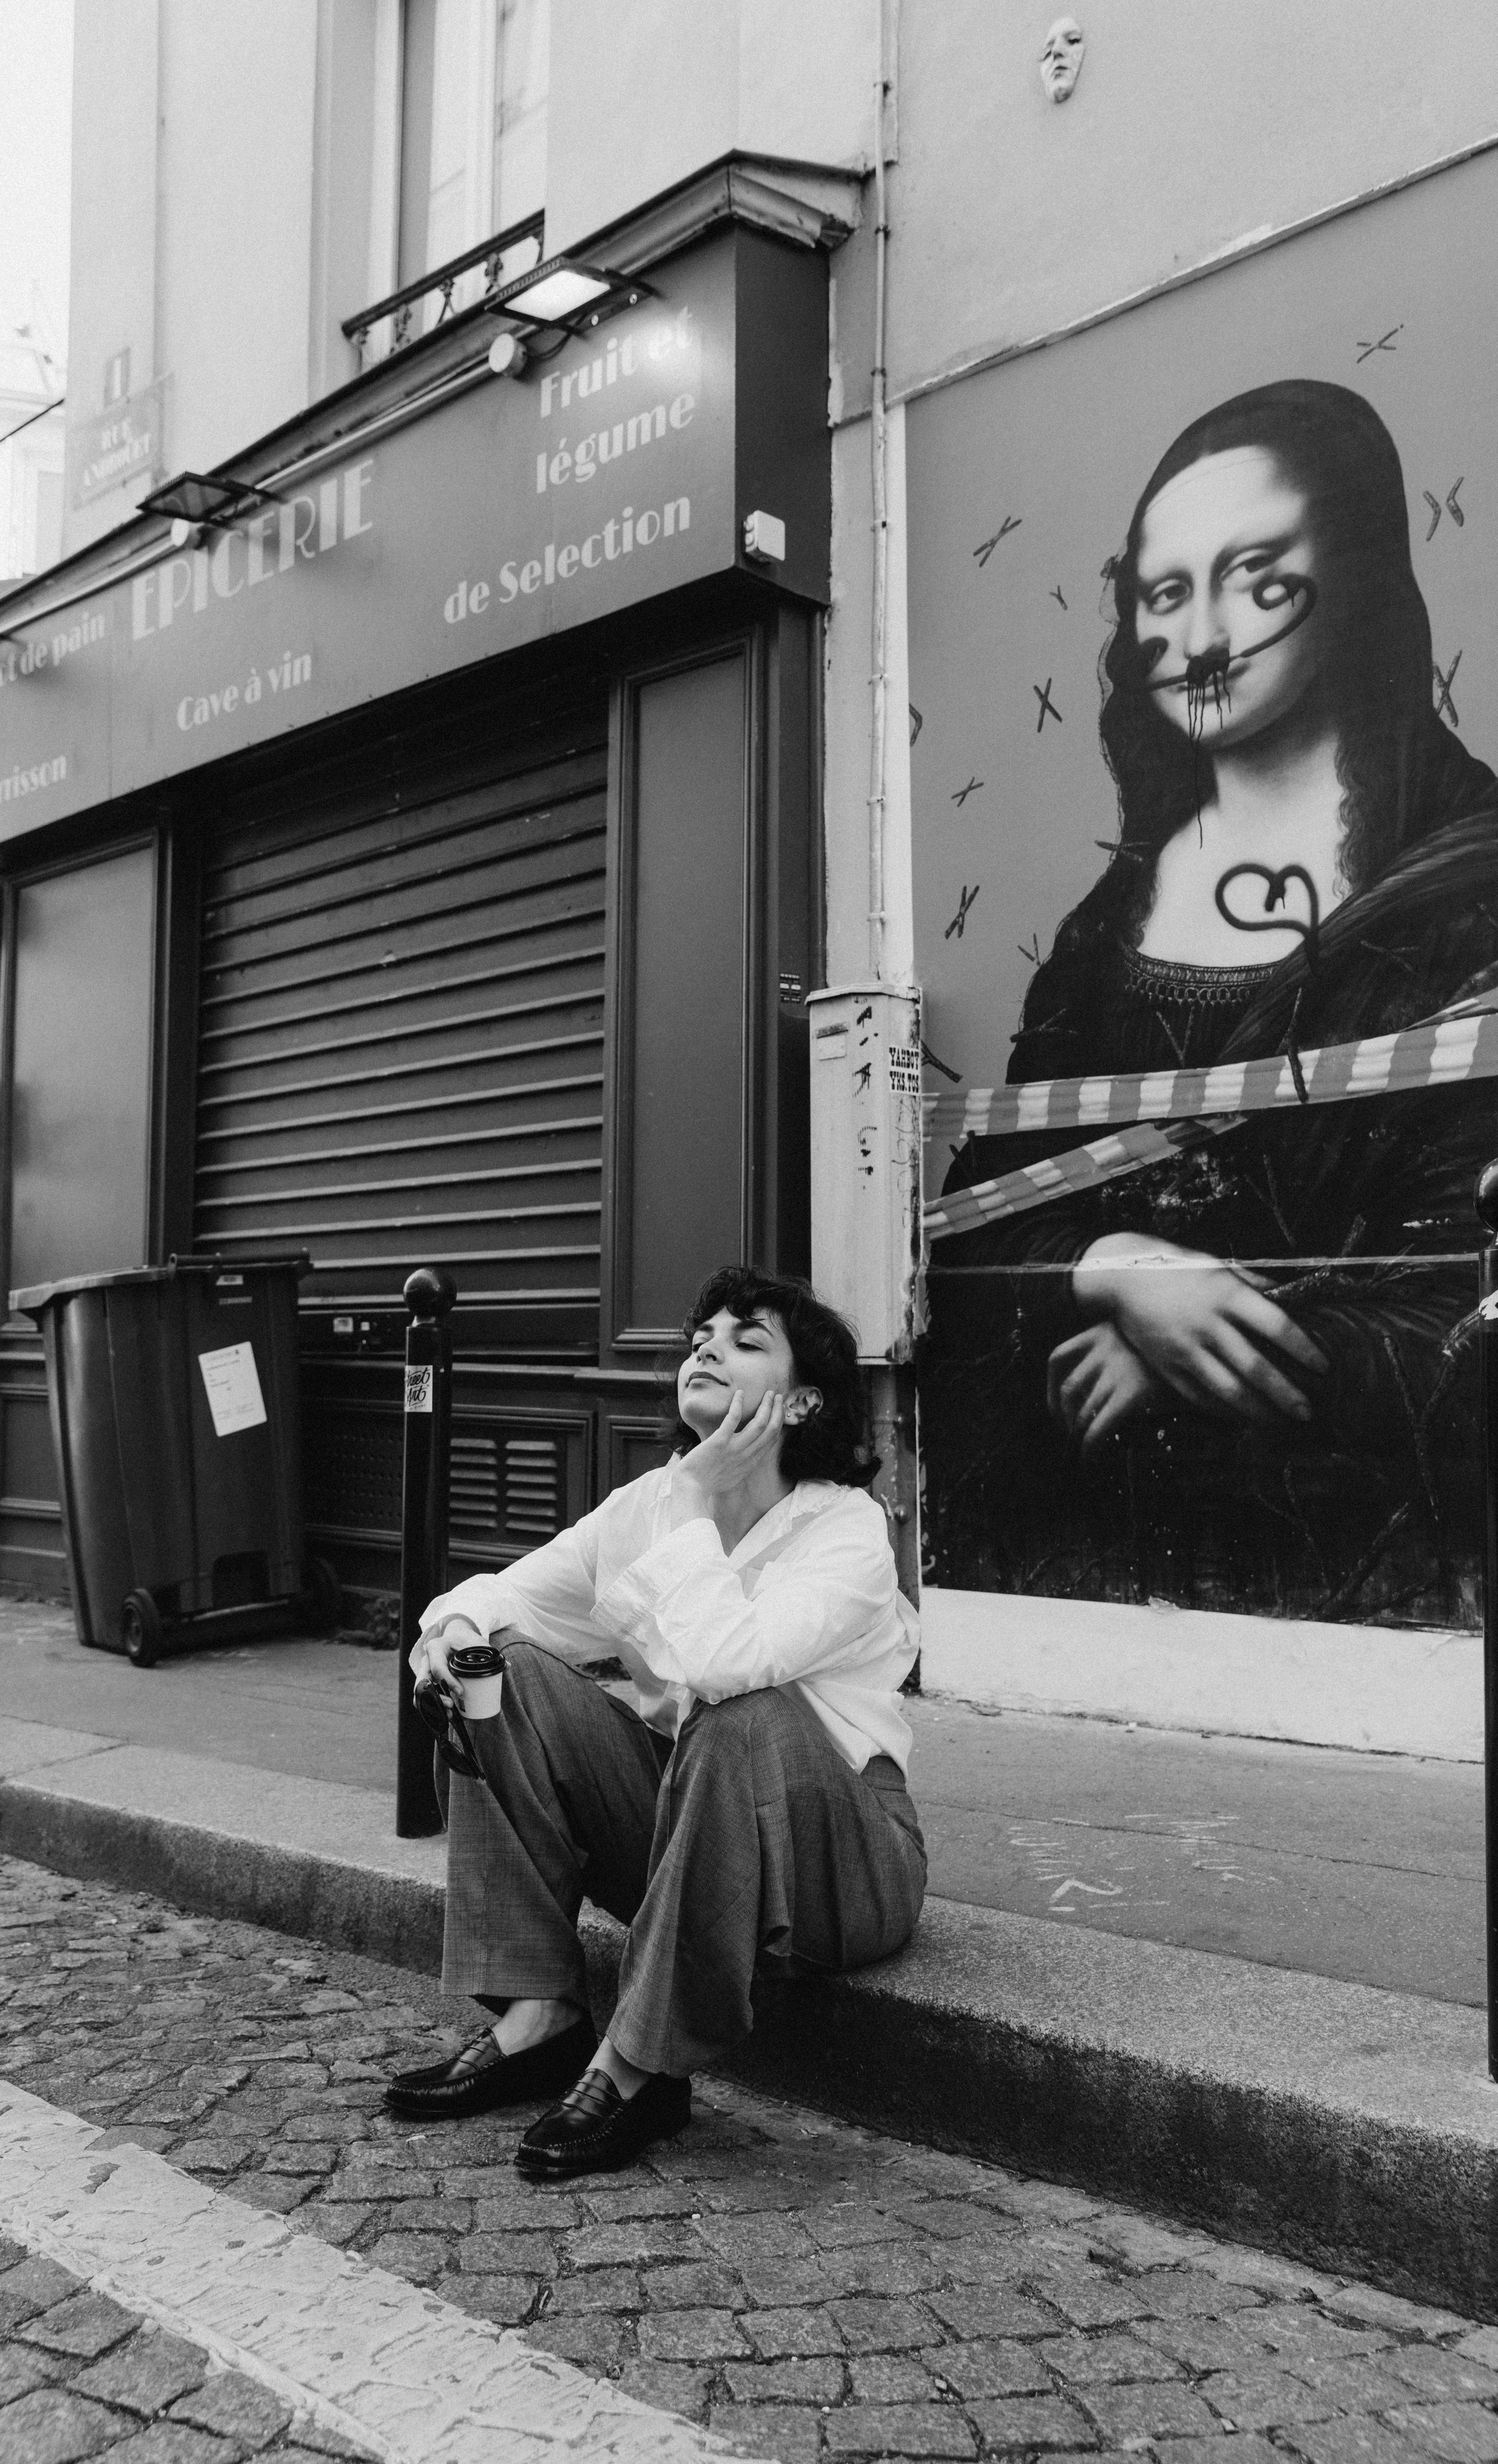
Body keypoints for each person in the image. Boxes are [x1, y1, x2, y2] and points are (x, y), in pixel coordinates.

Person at [924, 379, 1498, 1622]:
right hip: (1080, 1561)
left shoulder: (1471, 891)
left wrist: (1187, 1345)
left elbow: (1456, 1296)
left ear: (1354, 575)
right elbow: (968, 1225)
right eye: (1164, 592)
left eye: (1255, 577)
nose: (1199, 637)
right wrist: (1109, 1266)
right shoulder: (1104, 927)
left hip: (1353, 1584)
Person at [383, 1265, 925, 2178]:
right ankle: (539, 2013)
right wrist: (450, 1636)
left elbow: (725, 1667)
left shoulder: (845, 1529)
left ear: (799, 1405)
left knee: (741, 1710)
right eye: (701, 1333)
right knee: (498, 1669)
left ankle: (642, 2064)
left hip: (843, 1859)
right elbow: (500, 1596)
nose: (708, 1343)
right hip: (695, 1833)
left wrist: (688, 1507)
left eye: (747, 1339)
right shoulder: (648, 1508)